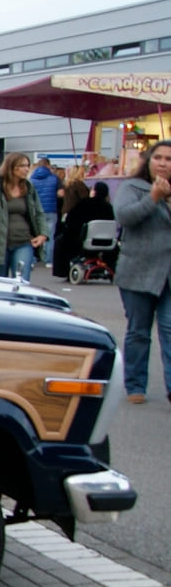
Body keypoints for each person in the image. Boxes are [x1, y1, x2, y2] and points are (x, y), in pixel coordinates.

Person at [113, 139, 171, 404]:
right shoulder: (132, 188)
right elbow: (125, 217)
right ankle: (135, 384)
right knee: (139, 331)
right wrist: (154, 199)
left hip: (168, 273)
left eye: (169, 159)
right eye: (158, 157)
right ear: (148, 160)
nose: (163, 163)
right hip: (139, 271)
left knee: (169, 330)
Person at [0, 152, 49, 281]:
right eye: (22, 165)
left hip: (24, 241)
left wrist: (43, 234)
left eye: (28, 165)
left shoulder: (29, 188)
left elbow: (39, 212)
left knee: (21, 282)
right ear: (11, 167)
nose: (27, 169)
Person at [52, 166, 91, 277]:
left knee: (65, 240)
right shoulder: (79, 185)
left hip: (66, 213)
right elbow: (85, 200)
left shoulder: (67, 184)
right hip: (76, 215)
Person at [29, 157, 61, 265]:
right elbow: (61, 193)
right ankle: (48, 260)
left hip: (35, 211)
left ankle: (33, 258)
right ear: (48, 165)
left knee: (34, 233)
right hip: (51, 210)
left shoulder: (31, 179)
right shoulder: (54, 178)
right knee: (50, 235)